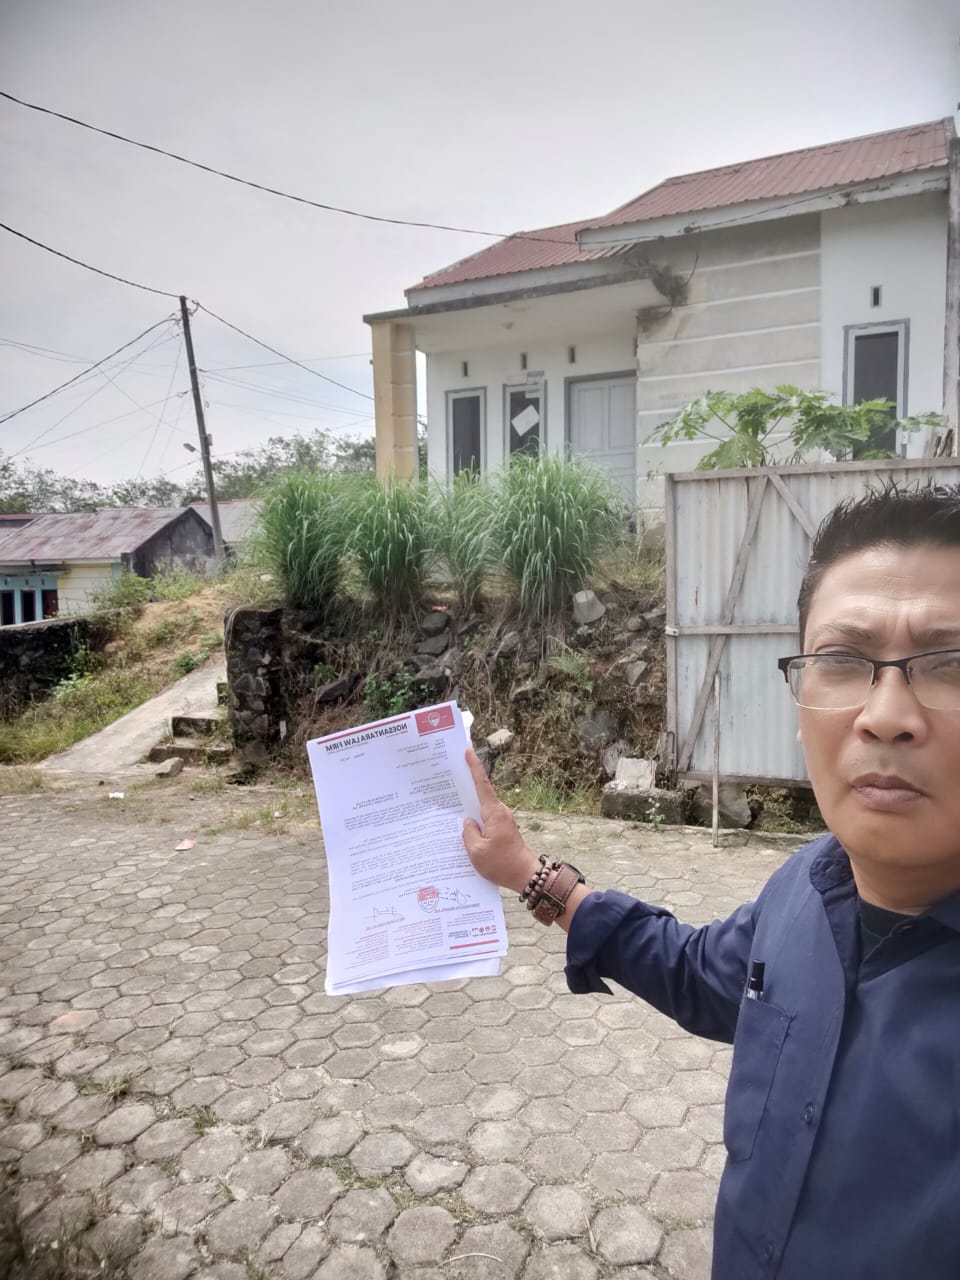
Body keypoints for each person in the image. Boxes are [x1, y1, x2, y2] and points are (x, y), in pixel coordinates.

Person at [462, 483, 960, 1280]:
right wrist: (528, 873)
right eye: (842, 661)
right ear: (801, 701)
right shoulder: (805, 888)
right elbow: (697, 972)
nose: (886, 714)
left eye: (950, 663)